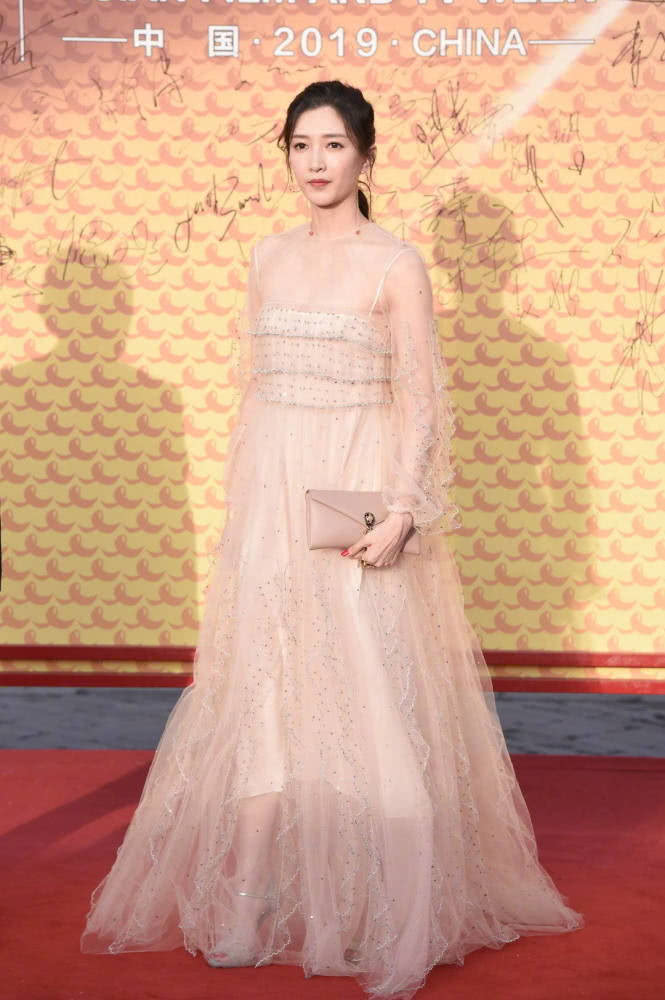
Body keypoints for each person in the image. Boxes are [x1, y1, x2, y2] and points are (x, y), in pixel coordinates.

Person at [80, 80, 584, 1000]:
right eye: (300, 145)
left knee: (371, 705)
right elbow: (257, 399)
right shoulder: (267, 257)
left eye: (333, 145)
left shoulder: (395, 264)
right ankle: (245, 905)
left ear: (366, 157)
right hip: (271, 511)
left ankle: (397, 916)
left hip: (355, 509)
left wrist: (403, 513)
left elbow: (422, 401)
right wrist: (246, 516)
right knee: (264, 701)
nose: (314, 162)